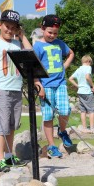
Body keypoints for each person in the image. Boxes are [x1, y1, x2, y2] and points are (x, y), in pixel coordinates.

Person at [0, 10, 32, 172]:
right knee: (1, 126)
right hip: (2, 89)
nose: (9, 30)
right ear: (0, 25)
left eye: (13, 27)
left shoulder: (17, 43)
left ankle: (8, 155)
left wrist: (22, 36)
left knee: (12, 125)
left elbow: (30, 53)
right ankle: (0, 159)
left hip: (16, 89)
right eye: (7, 26)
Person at [33, 14, 75, 158]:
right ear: (42, 28)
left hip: (60, 83)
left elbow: (71, 53)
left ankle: (62, 131)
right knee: (48, 116)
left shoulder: (60, 43)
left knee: (65, 110)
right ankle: (51, 145)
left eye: (55, 33)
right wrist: (38, 85)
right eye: (50, 32)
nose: (52, 35)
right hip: (46, 85)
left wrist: (64, 67)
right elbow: (33, 67)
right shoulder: (38, 45)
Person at [68, 55, 94, 133]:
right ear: (88, 61)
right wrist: (92, 85)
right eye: (90, 62)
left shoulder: (79, 69)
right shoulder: (88, 68)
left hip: (80, 91)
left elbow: (70, 78)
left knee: (83, 111)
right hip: (87, 91)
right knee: (91, 110)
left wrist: (78, 86)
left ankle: (84, 128)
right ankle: (92, 128)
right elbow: (87, 77)